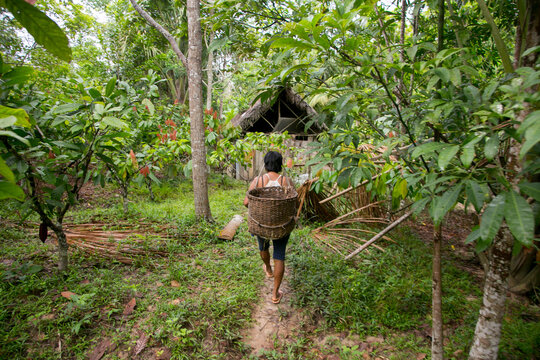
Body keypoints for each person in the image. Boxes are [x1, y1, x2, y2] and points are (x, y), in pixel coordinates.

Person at [243, 151, 294, 304]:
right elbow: (294, 202)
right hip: (281, 226)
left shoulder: (258, 181)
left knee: (263, 247)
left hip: (262, 224)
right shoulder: (286, 181)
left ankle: (268, 269)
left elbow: (246, 202)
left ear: (265, 164)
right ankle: (275, 294)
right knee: (279, 255)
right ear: (280, 164)